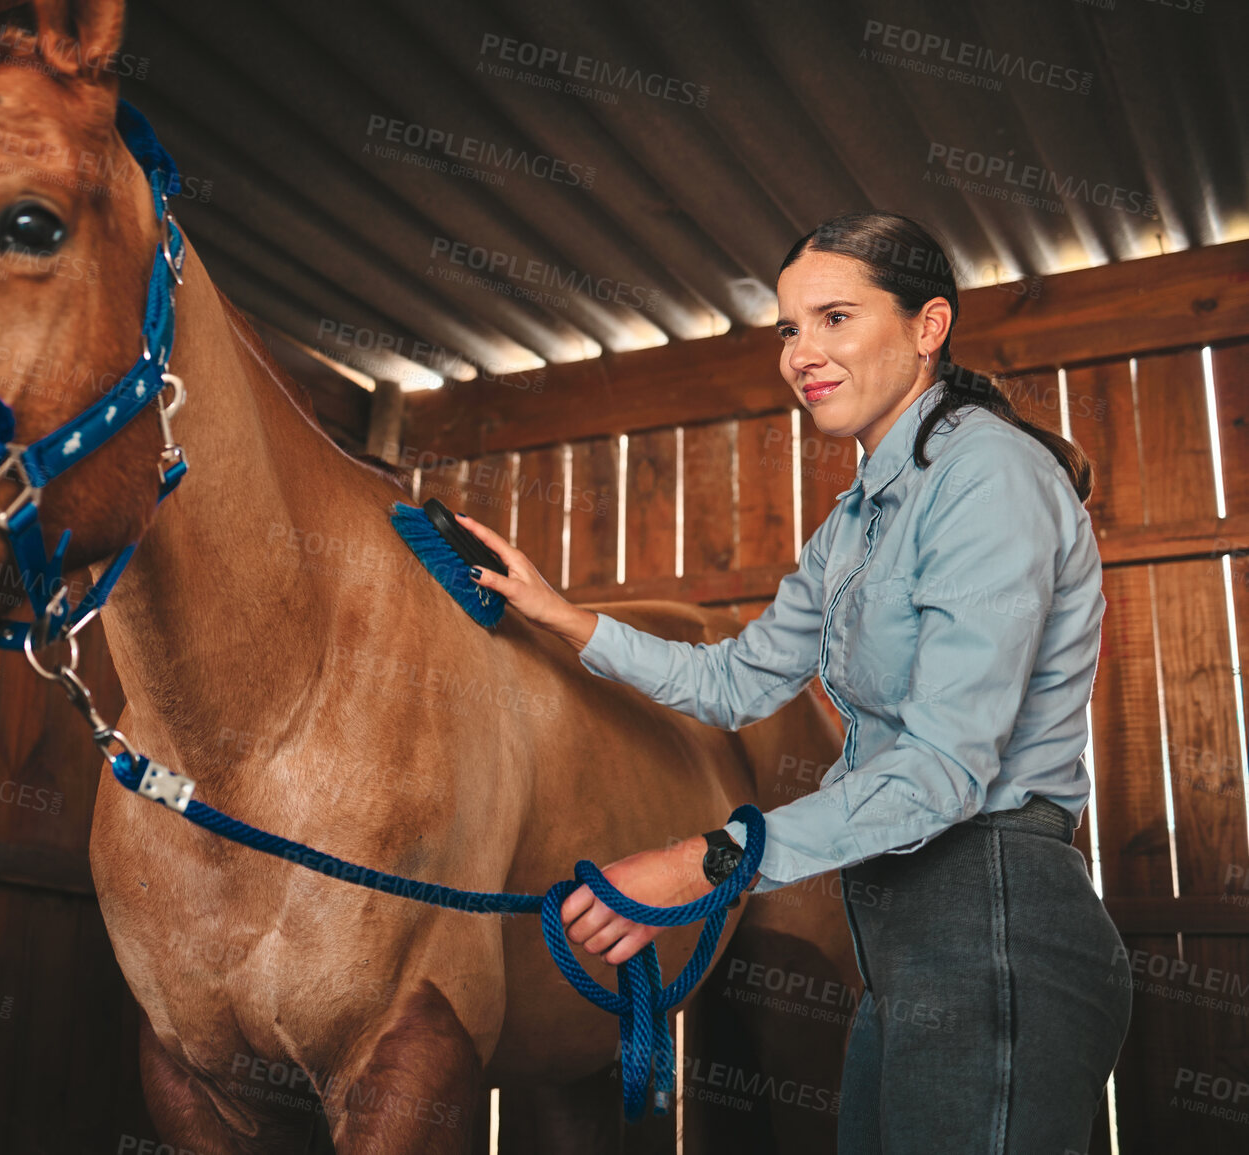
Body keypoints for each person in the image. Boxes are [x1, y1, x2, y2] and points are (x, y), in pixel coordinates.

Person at [454, 211, 1133, 1153]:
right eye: (787, 328)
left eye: (834, 318)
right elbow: (734, 680)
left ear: (927, 326)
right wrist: (564, 618)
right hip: (898, 940)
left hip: (993, 924)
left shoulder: (991, 478)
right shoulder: (856, 518)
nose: (801, 353)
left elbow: (943, 768)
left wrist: (698, 865)